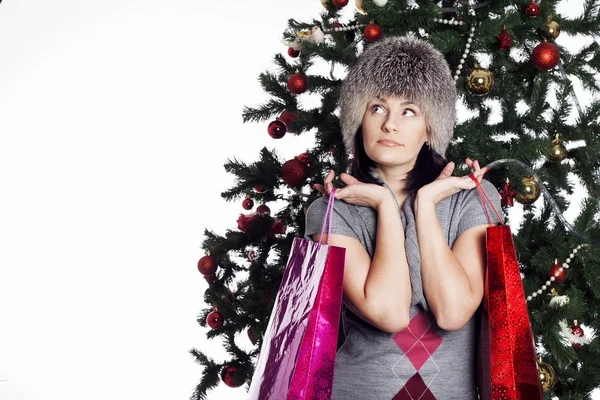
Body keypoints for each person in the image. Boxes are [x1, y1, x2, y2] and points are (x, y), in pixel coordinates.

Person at [303, 34, 503, 399]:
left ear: (430, 127)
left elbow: (452, 312)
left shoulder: (472, 200)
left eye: (409, 110)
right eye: (377, 107)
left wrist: (424, 205)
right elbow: (390, 311)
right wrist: (385, 208)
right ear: (358, 118)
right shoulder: (332, 212)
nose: (390, 124)